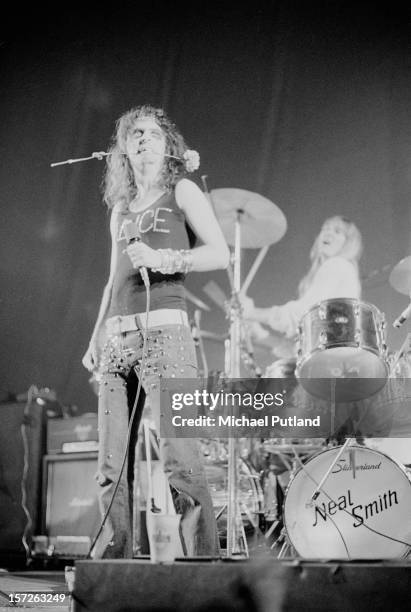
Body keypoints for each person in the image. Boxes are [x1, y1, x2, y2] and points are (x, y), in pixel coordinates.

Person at [82, 105, 229, 559]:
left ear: (167, 146)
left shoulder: (181, 191)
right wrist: (94, 337)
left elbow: (221, 254)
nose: (143, 139)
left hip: (167, 338)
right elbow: (111, 280)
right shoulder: (121, 209)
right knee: (110, 466)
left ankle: (203, 571)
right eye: (134, 134)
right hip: (117, 342)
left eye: (151, 133)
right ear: (124, 150)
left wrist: (167, 260)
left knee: (181, 462)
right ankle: (113, 569)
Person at [242, 215, 363, 358]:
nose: (328, 233)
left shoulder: (337, 264)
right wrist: (261, 335)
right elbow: (293, 351)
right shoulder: (338, 271)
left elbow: (302, 314)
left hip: (332, 363)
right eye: (325, 229)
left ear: (348, 243)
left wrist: (251, 312)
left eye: (337, 231)